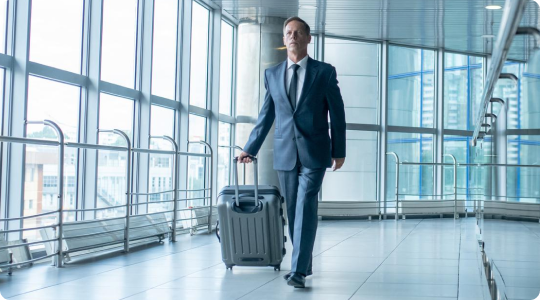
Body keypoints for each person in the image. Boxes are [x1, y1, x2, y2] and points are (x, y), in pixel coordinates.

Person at [237, 16, 346, 288]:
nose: (293, 36)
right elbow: (266, 115)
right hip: (285, 152)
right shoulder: (272, 74)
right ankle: (303, 263)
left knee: (306, 206)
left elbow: (338, 114)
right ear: (283, 39)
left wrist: (339, 150)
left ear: (309, 38)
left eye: (298, 32)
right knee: (294, 210)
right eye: (288, 33)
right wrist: (250, 148)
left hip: (315, 152)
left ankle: (297, 271)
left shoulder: (324, 72)